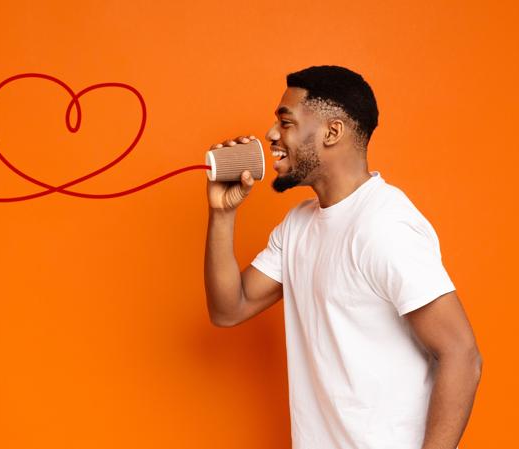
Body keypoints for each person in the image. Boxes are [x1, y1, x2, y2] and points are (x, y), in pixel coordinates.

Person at [204, 65, 481, 448]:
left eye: (286, 122)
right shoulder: (298, 225)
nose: (271, 135)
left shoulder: (385, 225)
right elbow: (228, 309)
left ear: (332, 132)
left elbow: (462, 355)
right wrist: (223, 214)